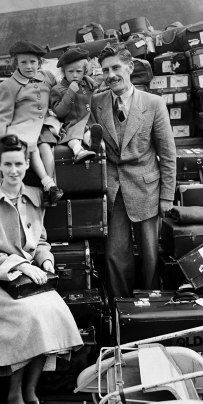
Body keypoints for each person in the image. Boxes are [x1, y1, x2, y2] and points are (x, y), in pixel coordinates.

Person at [0, 134, 83, 404]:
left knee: (54, 311)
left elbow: (40, 240)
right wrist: (22, 266)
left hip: (23, 280)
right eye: (8, 164)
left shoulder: (33, 195)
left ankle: (31, 391)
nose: (14, 170)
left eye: (19, 163)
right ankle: (14, 396)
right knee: (29, 318)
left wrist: (46, 260)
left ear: (28, 163)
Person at [91, 45, 176, 299]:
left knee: (150, 254)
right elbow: (90, 139)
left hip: (147, 189)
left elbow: (168, 154)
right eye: (106, 70)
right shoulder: (97, 102)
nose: (111, 75)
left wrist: (167, 197)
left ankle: (150, 306)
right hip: (113, 190)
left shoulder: (153, 104)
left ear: (130, 67)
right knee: (116, 255)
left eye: (116, 67)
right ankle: (123, 308)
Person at [0, 40, 63, 206]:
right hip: (21, 126)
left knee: (47, 147)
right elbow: (2, 115)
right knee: (31, 148)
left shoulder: (47, 77)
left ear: (39, 63)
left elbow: (59, 92)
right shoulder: (8, 85)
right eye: (23, 62)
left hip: (45, 123)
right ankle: (48, 184)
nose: (29, 66)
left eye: (33, 62)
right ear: (15, 64)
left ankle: (50, 187)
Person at [50, 48, 103, 163]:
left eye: (79, 72)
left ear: (84, 72)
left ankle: (93, 146)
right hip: (70, 124)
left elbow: (97, 88)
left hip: (88, 123)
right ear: (64, 72)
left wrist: (88, 79)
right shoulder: (58, 89)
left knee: (89, 134)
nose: (74, 75)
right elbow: (59, 112)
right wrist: (70, 92)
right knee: (73, 137)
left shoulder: (86, 84)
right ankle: (78, 151)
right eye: (70, 71)